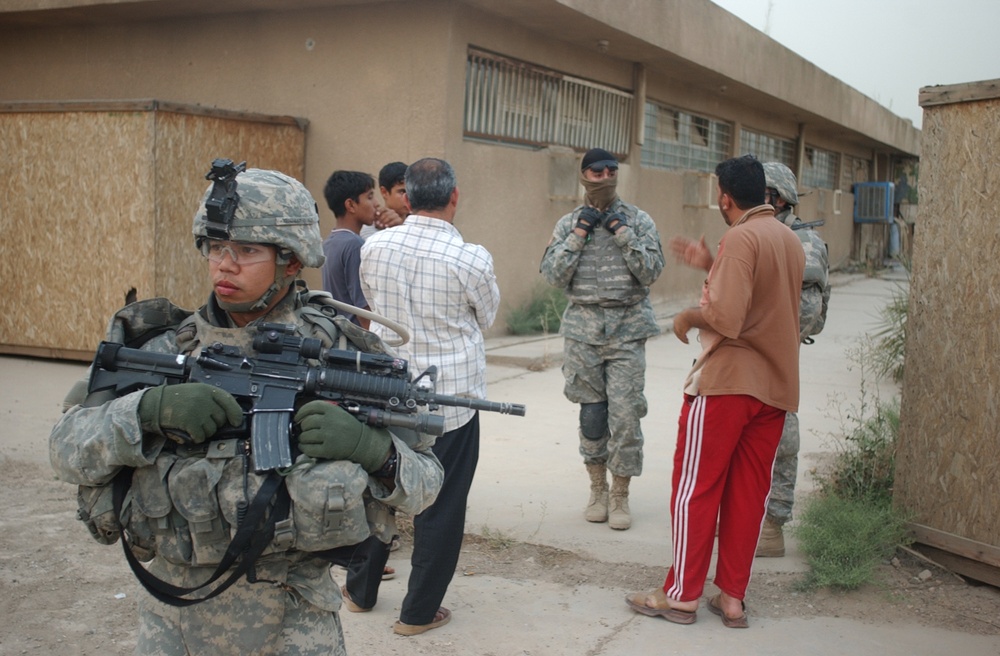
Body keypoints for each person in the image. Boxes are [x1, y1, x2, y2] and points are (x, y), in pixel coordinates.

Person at [49, 163, 444, 655]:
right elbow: (64, 449)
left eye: (247, 250)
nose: (225, 265)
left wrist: (374, 449)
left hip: (293, 619)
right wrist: (146, 411)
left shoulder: (346, 357)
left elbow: (427, 485)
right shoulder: (163, 347)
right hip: (174, 617)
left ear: (292, 261)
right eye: (216, 248)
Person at [627, 154, 803, 628]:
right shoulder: (788, 239)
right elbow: (762, 299)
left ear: (724, 196)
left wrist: (686, 317)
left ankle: (682, 594)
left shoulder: (740, 236)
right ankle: (731, 599)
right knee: (748, 496)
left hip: (728, 386)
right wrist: (712, 264)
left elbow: (726, 317)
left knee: (695, 491)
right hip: (776, 390)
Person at [357, 157, 501, 635]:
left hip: (388, 391)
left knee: (381, 488)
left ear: (408, 197)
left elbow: (371, 305)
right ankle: (417, 613)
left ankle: (360, 590)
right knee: (443, 502)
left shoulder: (374, 247)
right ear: (454, 197)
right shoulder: (471, 257)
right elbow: (487, 318)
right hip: (452, 402)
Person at [539, 147, 665, 530]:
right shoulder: (568, 224)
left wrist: (621, 232)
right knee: (593, 417)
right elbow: (553, 275)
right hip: (583, 334)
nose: (605, 177)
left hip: (627, 332)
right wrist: (580, 233)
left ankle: (620, 495)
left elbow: (651, 271)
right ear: (583, 175)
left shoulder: (638, 220)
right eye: (597, 172)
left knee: (626, 417)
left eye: (611, 170)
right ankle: (597, 488)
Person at [756, 161, 831, 557]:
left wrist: (754, 328)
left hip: (777, 359)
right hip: (744, 358)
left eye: (761, 192)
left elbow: (807, 314)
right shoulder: (752, 232)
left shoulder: (803, 243)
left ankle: (772, 525)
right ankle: (740, 518)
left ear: (779, 198)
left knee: (781, 438)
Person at [321, 170, 378, 328]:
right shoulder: (355, 245)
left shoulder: (330, 243)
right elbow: (364, 310)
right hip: (356, 340)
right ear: (351, 205)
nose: (376, 204)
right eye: (370, 197)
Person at [359, 161, 409, 240]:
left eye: (411, 191)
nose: (408, 197)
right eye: (402, 192)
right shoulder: (371, 228)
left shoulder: (418, 222)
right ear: (384, 192)